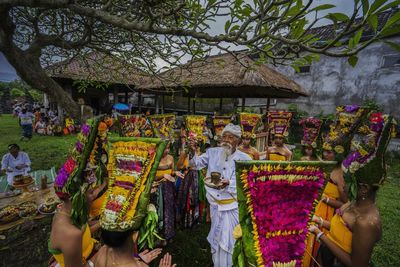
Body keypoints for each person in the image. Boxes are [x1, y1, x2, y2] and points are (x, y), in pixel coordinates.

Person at [309, 113, 394, 267]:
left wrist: (320, 235)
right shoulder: (353, 204)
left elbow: (356, 264)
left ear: (364, 189)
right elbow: (340, 231)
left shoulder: (366, 223)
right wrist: (320, 221)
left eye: (347, 182)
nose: (342, 186)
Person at [303, 104, 370, 267]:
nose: (325, 154)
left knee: (324, 250)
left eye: (329, 152)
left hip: (331, 216)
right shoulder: (327, 165)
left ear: (340, 151)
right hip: (319, 211)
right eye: (324, 150)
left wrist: (324, 199)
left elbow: (346, 205)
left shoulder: (341, 174)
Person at [187, 123, 251, 267]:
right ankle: (217, 263)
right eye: (224, 137)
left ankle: (230, 263)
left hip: (232, 206)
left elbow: (247, 182)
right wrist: (192, 151)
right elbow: (195, 163)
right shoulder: (212, 152)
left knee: (230, 239)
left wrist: (230, 184)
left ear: (238, 141)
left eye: (231, 137)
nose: (226, 140)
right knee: (217, 238)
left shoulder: (245, 158)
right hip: (216, 206)